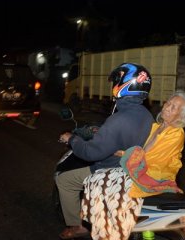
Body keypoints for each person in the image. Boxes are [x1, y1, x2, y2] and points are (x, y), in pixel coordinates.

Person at [81, 90, 185, 240]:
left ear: (181, 116)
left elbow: (152, 158)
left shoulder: (176, 133)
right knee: (96, 178)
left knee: (110, 188)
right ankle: (103, 227)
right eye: (168, 102)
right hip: (140, 168)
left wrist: (124, 154)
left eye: (174, 107)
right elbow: (139, 147)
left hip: (154, 175)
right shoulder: (156, 126)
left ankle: (114, 233)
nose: (167, 107)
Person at [56, 63, 155, 239]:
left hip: (113, 169)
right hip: (134, 169)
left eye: (117, 80)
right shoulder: (146, 115)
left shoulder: (119, 118)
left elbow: (91, 153)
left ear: (126, 84)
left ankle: (78, 226)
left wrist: (72, 138)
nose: (114, 84)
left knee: (65, 180)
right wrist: (101, 131)